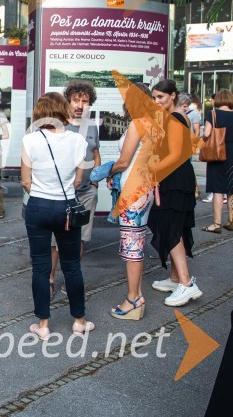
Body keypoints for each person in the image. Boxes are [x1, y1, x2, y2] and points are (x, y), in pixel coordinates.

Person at [20, 94, 93, 339]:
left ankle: (43, 325)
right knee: (72, 266)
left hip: (38, 206)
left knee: (40, 267)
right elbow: (79, 179)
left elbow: (25, 181)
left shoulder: (30, 140)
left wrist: (41, 190)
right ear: (63, 110)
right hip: (66, 207)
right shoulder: (78, 140)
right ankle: (79, 321)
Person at [148, 79, 201, 307]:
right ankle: (175, 278)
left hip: (176, 180)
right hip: (176, 180)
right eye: (154, 97)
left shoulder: (177, 118)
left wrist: (153, 168)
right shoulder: (175, 118)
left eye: (160, 97)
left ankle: (187, 284)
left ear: (172, 96)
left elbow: (177, 155)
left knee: (170, 227)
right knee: (173, 226)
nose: (156, 101)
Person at [108, 83, 156, 320]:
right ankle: (135, 296)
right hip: (144, 188)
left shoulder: (137, 123)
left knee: (132, 246)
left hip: (133, 190)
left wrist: (108, 171)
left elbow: (124, 160)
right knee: (135, 243)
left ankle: (134, 299)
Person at [50, 80, 100, 297]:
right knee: (54, 240)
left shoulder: (92, 127)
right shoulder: (57, 125)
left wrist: (96, 181)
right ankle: (50, 278)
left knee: (80, 238)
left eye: (85, 101)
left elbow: (95, 153)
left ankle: (70, 280)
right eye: (76, 100)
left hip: (86, 193)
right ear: (68, 101)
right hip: (60, 193)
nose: (80, 105)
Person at [201, 88, 233, 233]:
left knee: (218, 190)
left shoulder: (212, 113)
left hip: (217, 154)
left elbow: (207, 133)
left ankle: (216, 223)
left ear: (218, 100)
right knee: (231, 188)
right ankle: (231, 220)